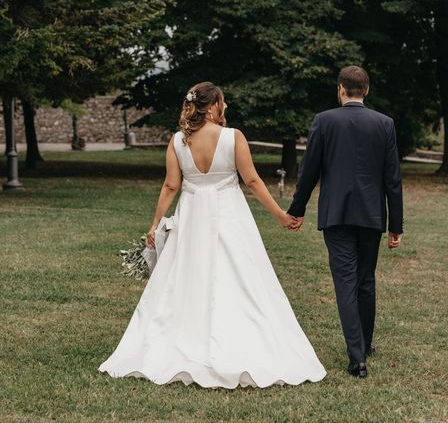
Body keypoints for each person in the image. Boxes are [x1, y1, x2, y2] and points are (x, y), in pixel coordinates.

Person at [99, 82, 326, 388]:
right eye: (224, 102)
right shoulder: (233, 137)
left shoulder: (178, 141)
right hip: (229, 215)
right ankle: (241, 341)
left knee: (187, 276)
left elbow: (170, 186)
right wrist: (281, 216)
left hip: (192, 215)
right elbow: (253, 180)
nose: (227, 107)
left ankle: (183, 340)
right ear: (213, 105)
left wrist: (155, 224)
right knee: (242, 275)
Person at [287, 66, 404, 378]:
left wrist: (297, 209)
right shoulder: (385, 123)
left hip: (336, 215)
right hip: (371, 215)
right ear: (365, 91)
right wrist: (396, 225)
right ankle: (363, 346)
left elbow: (308, 170)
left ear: (341, 89)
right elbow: (393, 179)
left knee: (345, 282)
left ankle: (358, 357)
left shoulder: (324, 121)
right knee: (365, 279)